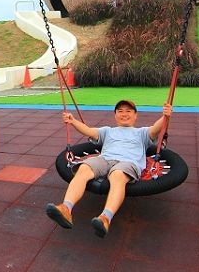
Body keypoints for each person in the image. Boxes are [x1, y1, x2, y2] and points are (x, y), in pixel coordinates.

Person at [46, 99, 173, 238]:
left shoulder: (142, 133)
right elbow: (89, 131)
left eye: (128, 111)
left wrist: (165, 116)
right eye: (120, 111)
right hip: (105, 159)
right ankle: (66, 208)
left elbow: (156, 128)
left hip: (128, 162)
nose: (124, 114)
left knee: (117, 175)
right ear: (115, 115)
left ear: (136, 115)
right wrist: (72, 120)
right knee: (84, 168)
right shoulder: (107, 131)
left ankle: (105, 218)